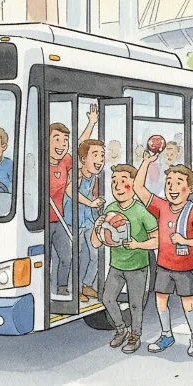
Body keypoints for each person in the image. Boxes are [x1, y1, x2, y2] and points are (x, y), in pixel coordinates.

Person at [135, 155, 193, 356]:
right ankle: (166, 334)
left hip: (185, 267)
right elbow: (139, 189)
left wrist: (185, 241)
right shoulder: (161, 206)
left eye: (179, 183)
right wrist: (146, 162)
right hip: (164, 266)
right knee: (161, 300)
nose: (172, 187)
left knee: (188, 304)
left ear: (190, 189)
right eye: (169, 183)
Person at [93, 164, 159, 354]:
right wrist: (98, 228)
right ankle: (121, 329)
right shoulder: (110, 209)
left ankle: (135, 335)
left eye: (123, 182)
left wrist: (138, 245)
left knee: (136, 304)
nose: (118, 186)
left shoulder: (141, 211)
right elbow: (96, 243)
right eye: (114, 182)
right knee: (107, 299)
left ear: (134, 184)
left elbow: (157, 240)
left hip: (138, 267)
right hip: (116, 266)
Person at [48, 107, 98, 298]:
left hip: (61, 220)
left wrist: (91, 123)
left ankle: (62, 288)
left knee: (65, 256)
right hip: (41, 221)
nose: (62, 144)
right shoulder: (39, 161)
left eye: (64, 140)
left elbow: (80, 144)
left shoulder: (66, 161)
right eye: (57, 139)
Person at [63, 139, 106, 303]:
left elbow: (90, 197)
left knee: (96, 253)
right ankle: (75, 288)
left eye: (102, 155)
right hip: (74, 220)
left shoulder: (94, 177)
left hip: (89, 220)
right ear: (83, 159)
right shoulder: (78, 174)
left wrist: (96, 204)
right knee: (78, 255)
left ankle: (87, 283)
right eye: (95, 155)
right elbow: (70, 191)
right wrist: (91, 203)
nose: (100, 159)